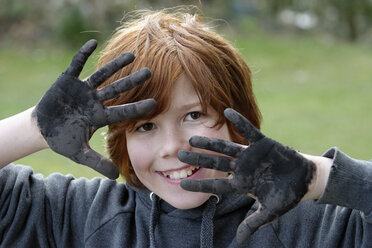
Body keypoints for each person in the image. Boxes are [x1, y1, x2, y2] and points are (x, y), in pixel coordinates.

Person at [0, 9, 372, 248]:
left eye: (193, 115)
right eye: (145, 126)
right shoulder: (83, 216)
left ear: (236, 114)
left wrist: (318, 178)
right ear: (119, 136)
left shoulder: (311, 224)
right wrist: (34, 127)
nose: (173, 147)